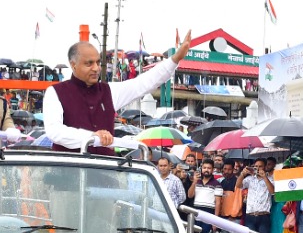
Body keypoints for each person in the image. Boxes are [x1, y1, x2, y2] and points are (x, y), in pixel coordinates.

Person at [43, 33, 192, 155]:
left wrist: (174, 59)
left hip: (106, 176)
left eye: (97, 62)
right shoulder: (55, 93)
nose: (95, 68)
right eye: (89, 63)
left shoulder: (109, 91)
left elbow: (143, 84)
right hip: (68, 176)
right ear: (73, 65)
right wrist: (92, 137)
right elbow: (55, 131)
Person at [242, 159, 274, 233]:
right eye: (255, 166)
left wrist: (264, 177)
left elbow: (273, 192)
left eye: (260, 166)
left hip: (263, 215)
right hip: (250, 215)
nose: (258, 169)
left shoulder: (271, 179)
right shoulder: (249, 179)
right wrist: (242, 174)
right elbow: (238, 185)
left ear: (265, 167)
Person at [187, 159, 222, 233]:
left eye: (209, 168)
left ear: (213, 169)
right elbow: (190, 195)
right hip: (196, 211)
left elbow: (218, 203)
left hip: (209, 213)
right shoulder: (196, 181)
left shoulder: (217, 184)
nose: (206, 170)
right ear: (201, 168)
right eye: (204, 168)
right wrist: (194, 182)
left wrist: (215, 221)